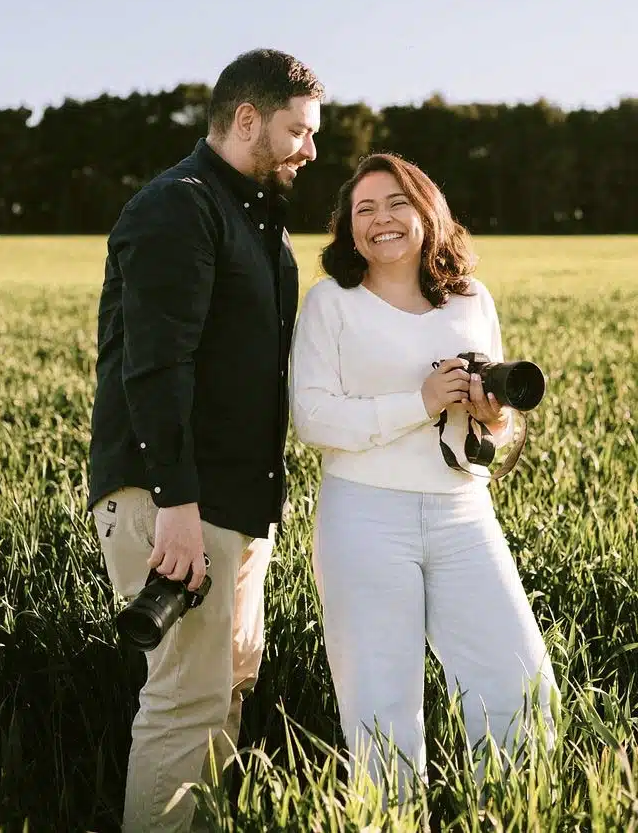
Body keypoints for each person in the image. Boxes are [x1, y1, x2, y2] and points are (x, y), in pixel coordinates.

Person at [88, 48, 324, 832]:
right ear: (247, 119)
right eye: (299, 131)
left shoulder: (260, 227)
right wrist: (176, 504)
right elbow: (155, 368)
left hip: (236, 505)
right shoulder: (179, 207)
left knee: (227, 689)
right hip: (178, 503)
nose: (310, 151)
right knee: (185, 699)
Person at [290, 152, 557, 797]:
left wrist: (492, 417)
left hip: (464, 512)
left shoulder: (470, 299)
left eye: (397, 204)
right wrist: (421, 402)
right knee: (381, 705)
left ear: (426, 211)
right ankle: (392, 816)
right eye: (364, 210)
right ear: (348, 227)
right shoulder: (332, 303)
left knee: (520, 683)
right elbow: (313, 418)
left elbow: (496, 429)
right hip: (365, 517)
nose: (382, 220)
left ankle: (515, 811)